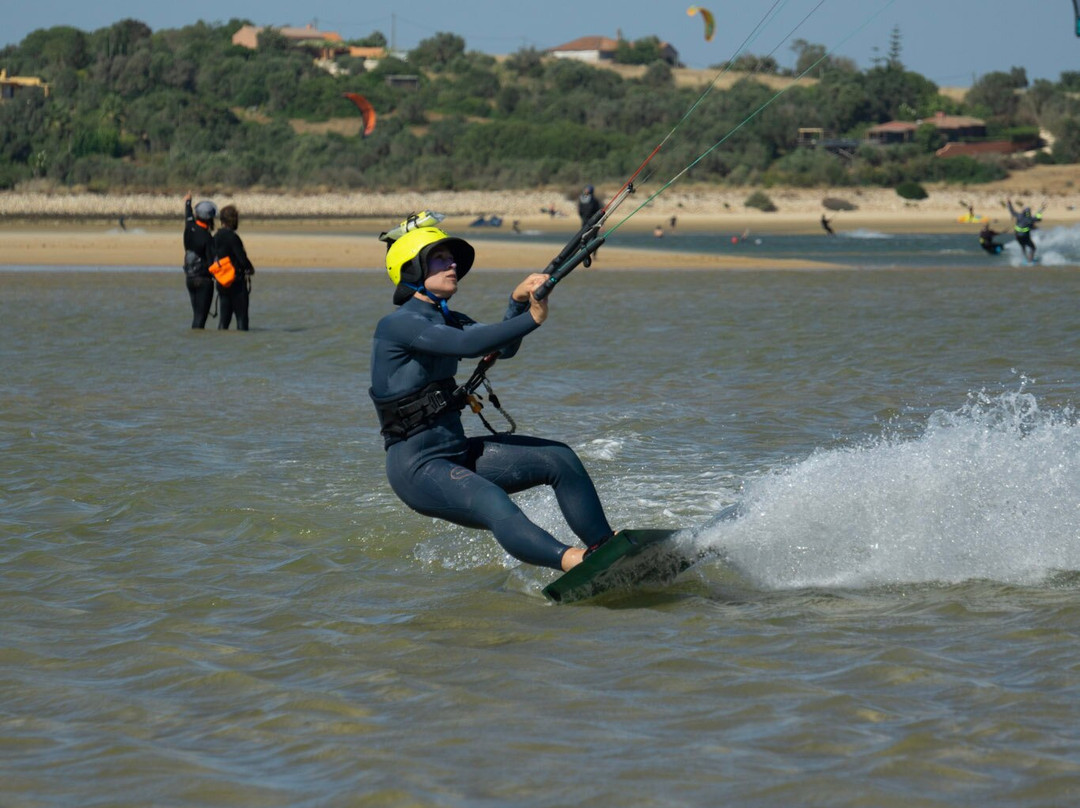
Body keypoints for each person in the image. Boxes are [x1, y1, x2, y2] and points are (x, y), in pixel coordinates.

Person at [369, 214, 615, 572]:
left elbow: (501, 346)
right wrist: (531, 318)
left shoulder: (448, 319)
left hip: (457, 452)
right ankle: (575, 562)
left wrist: (516, 303)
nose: (452, 264)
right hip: (418, 468)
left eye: (453, 258)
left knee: (560, 460)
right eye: (440, 258)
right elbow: (469, 345)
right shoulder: (399, 325)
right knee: (493, 502)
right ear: (411, 268)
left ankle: (607, 547)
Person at [212, 204, 255, 330]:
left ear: (222, 221)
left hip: (222, 281)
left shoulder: (216, 237)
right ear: (233, 221)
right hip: (236, 282)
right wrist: (250, 269)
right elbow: (241, 258)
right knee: (242, 320)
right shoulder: (233, 238)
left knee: (223, 321)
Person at [182, 192, 217, 329]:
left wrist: (188, 202)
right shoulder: (208, 238)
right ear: (210, 219)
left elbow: (188, 215)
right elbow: (211, 263)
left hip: (189, 278)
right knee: (200, 319)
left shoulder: (189, 227)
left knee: (196, 315)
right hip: (203, 281)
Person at [1006, 198, 1043, 262]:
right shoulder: (1030, 218)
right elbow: (1039, 219)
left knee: (1023, 246)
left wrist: (1009, 204)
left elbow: (1012, 211)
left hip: (1018, 236)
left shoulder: (1019, 215)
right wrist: (1041, 209)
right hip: (1025, 236)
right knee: (1033, 248)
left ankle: (1024, 258)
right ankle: (1030, 259)